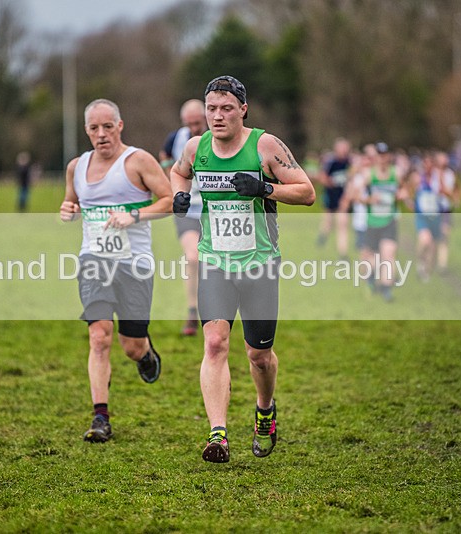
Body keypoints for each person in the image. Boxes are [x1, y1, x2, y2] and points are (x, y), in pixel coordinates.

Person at [171, 75, 315, 463]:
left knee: (259, 355)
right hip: (215, 262)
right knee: (215, 343)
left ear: (243, 110)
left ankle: (265, 410)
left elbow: (307, 192)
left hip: (259, 266)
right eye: (211, 109)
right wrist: (179, 196)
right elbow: (178, 171)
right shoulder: (195, 147)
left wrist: (264, 188)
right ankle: (218, 434)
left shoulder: (265, 146)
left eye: (226, 109)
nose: (217, 117)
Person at [60, 98, 172, 443]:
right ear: (86, 131)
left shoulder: (137, 161)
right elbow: (73, 202)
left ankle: (146, 352)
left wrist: (134, 215)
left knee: (131, 346)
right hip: (93, 261)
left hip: (134, 265)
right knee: (99, 335)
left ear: (120, 126)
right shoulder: (76, 167)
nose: (101, 134)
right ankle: (100, 416)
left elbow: (169, 200)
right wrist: (69, 210)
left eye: (108, 126)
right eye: (94, 128)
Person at [159, 99, 207, 335]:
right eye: (189, 123)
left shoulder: (218, 136)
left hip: (214, 210)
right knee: (193, 257)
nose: (194, 128)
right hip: (187, 208)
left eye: (197, 123)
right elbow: (165, 160)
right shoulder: (176, 138)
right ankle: (192, 312)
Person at [356, 142, 409, 302]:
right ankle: (371, 277)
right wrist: (370, 199)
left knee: (388, 254)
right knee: (370, 259)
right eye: (380, 155)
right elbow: (358, 197)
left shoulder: (396, 173)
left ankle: (386, 289)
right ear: (376, 158)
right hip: (372, 222)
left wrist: (402, 195)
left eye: (385, 155)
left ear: (389, 157)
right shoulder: (368, 175)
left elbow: (405, 188)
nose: (383, 158)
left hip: (389, 220)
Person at [315, 138, 351, 259]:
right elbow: (322, 176)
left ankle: (343, 253)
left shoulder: (349, 162)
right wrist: (331, 182)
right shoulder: (331, 162)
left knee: (342, 225)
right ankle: (323, 236)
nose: (344, 152)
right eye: (342, 149)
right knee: (328, 222)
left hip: (343, 199)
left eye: (346, 149)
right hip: (330, 197)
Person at [409, 153, 441, 282]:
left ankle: (426, 270)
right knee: (425, 240)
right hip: (422, 216)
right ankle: (420, 263)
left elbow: (446, 192)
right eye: (425, 164)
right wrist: (410, 202)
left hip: (435, 216)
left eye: (430, 165)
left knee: (433, 247)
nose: (428, 167)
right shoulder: (417, 179)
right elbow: (407, 190)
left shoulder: (438, 179)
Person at [434, 151, 459, 274]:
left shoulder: (450, 175)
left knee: (444, 236)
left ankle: (442, 265)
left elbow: (449, 191)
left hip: (445, 209)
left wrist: (442, 183)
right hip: (432, 210)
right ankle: (431, 260)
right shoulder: (431, 174)